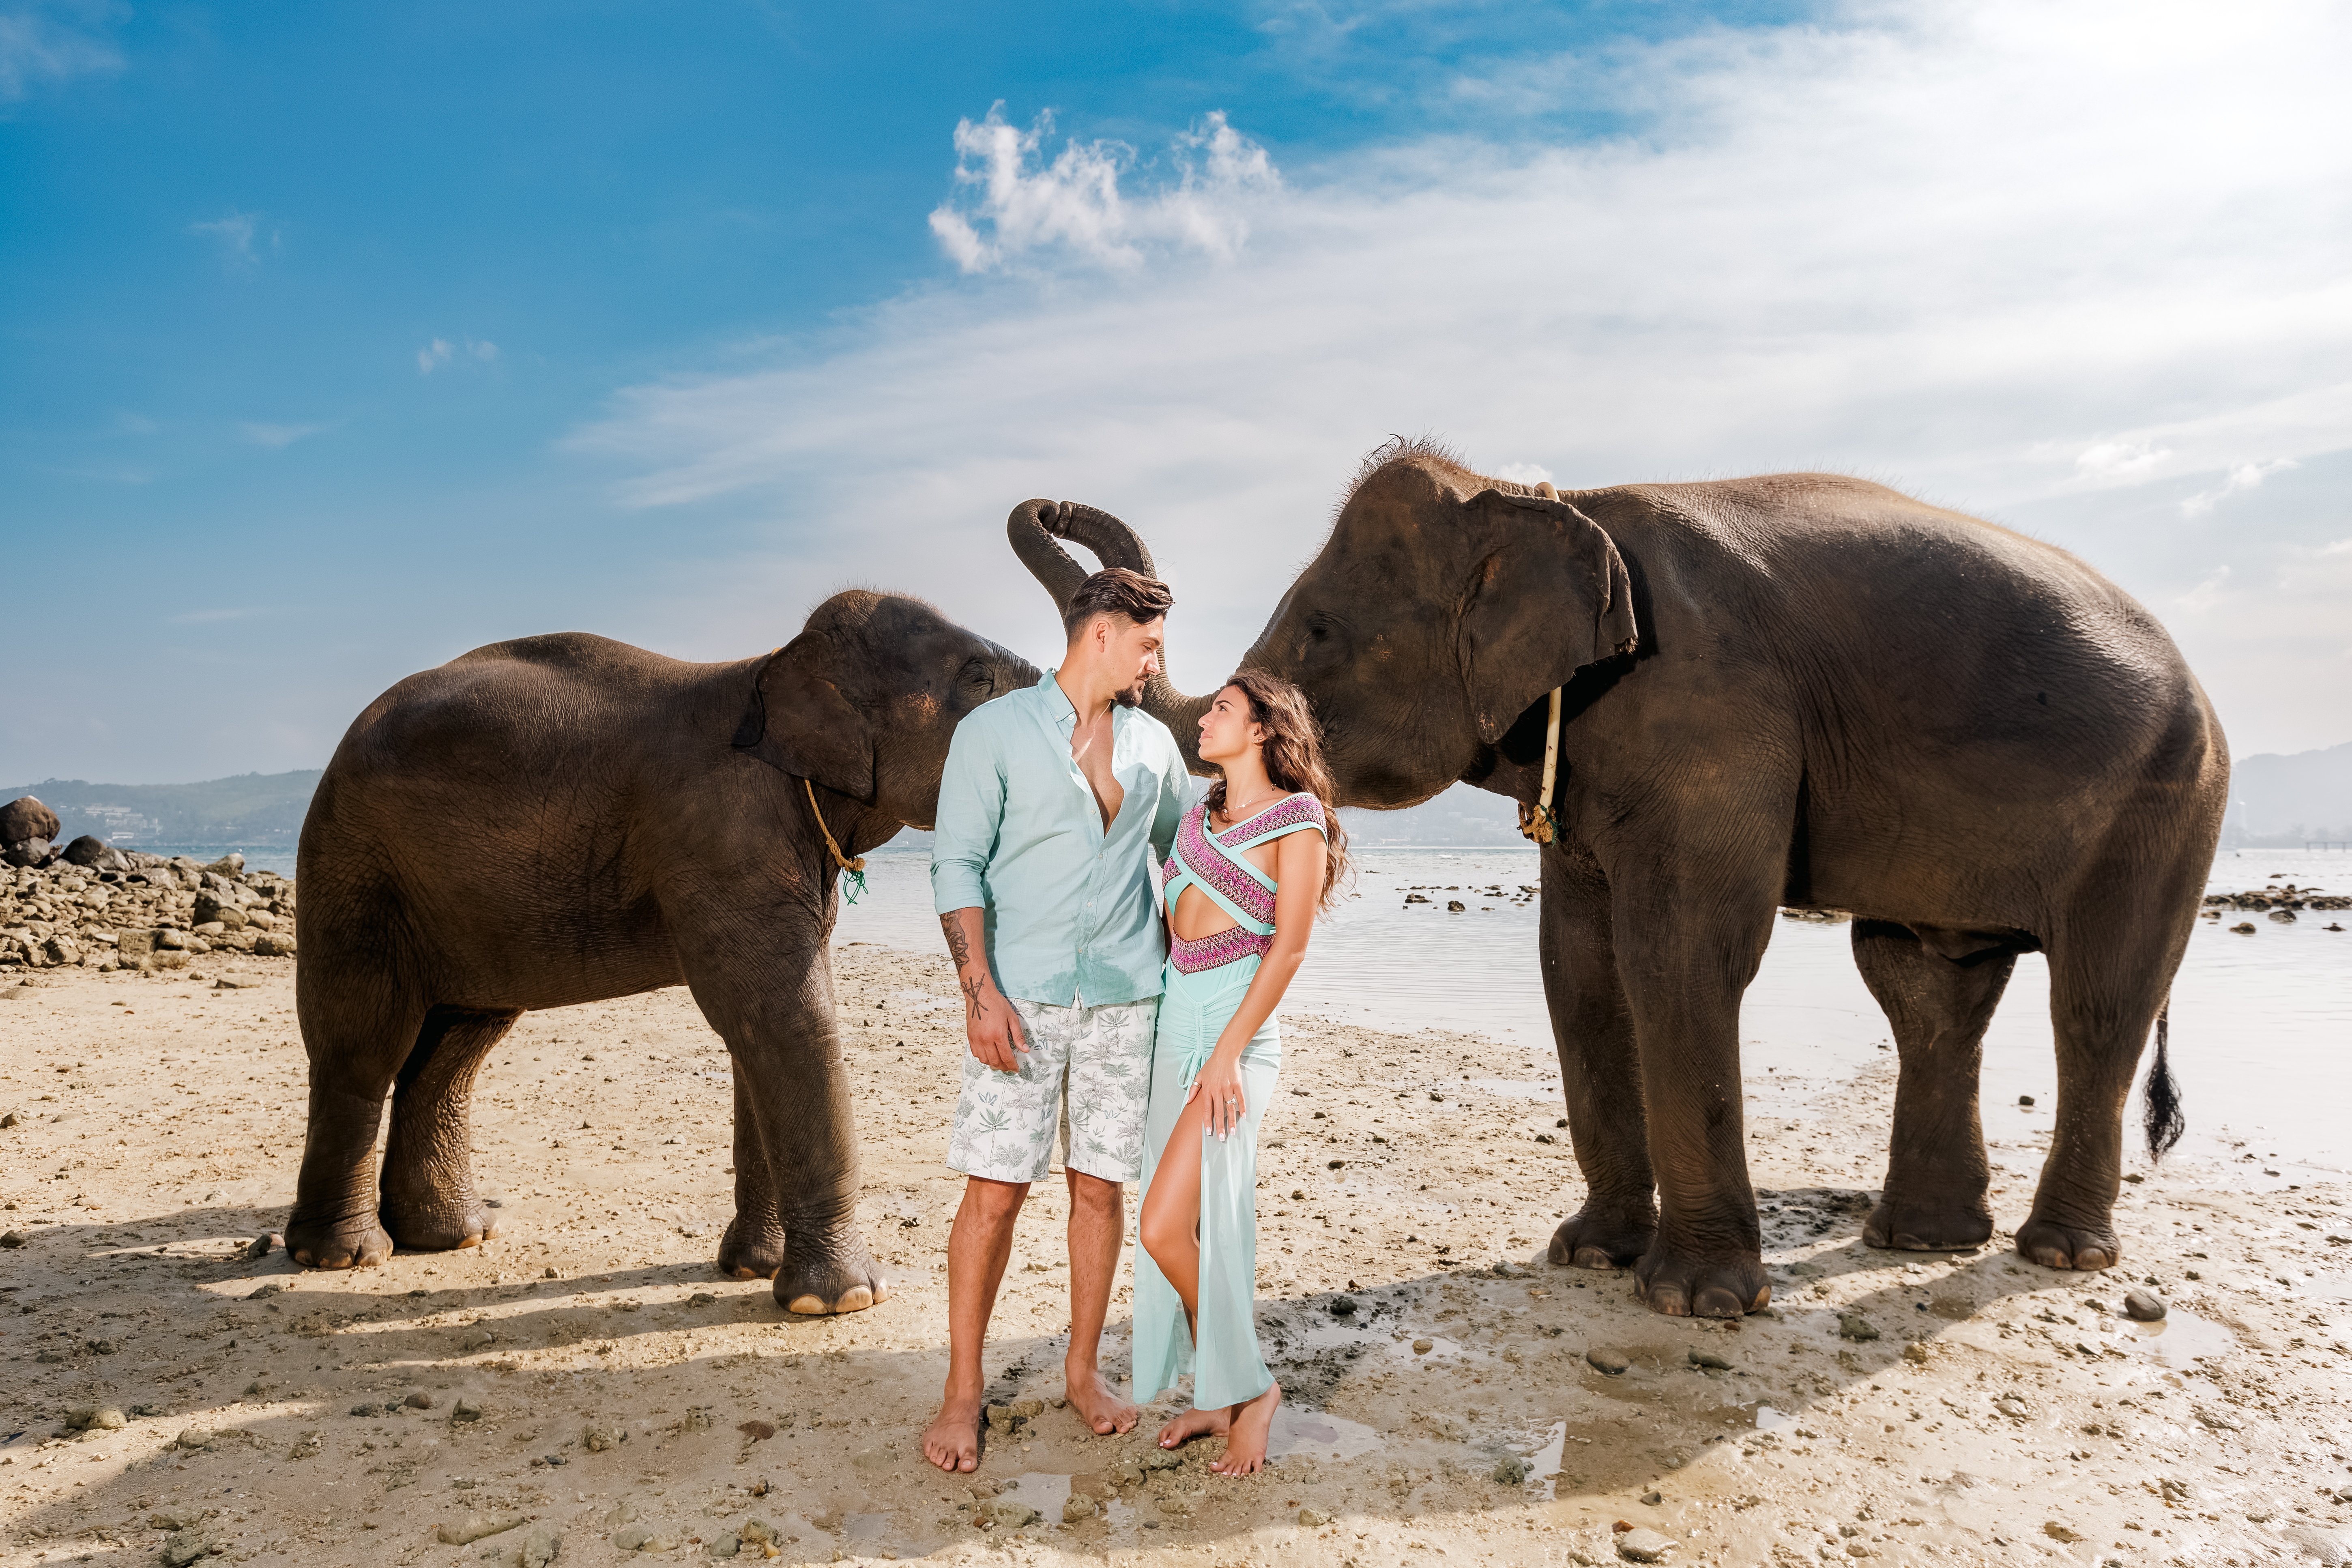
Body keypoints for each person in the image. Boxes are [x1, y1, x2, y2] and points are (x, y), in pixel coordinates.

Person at [921, 567, 1192, 1475]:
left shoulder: (1154, 747)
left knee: (1099, 1190)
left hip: (1126, 999)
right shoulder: (992, 733)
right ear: (1103, 634)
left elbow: (1187, 857)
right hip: (1020, 999)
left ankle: (1081, 1372)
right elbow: (956, 867)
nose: (1156, 663)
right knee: (994, 1192)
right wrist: (979, 993)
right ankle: (962, 1390)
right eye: (1148, 644)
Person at [1134, 669, 1349, 1476]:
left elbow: (1288, 945)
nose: (1203, 718)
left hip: (1236, 1038)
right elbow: (1167, 924)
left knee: (1163, 1225)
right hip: (1174, 1021)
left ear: (1260, 728)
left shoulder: (1299, 820)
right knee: (1185, 1226)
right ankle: (1216, 1390)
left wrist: (1225, 1048)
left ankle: (1252, 1388)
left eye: (1220, 708)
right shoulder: (1197, 817)